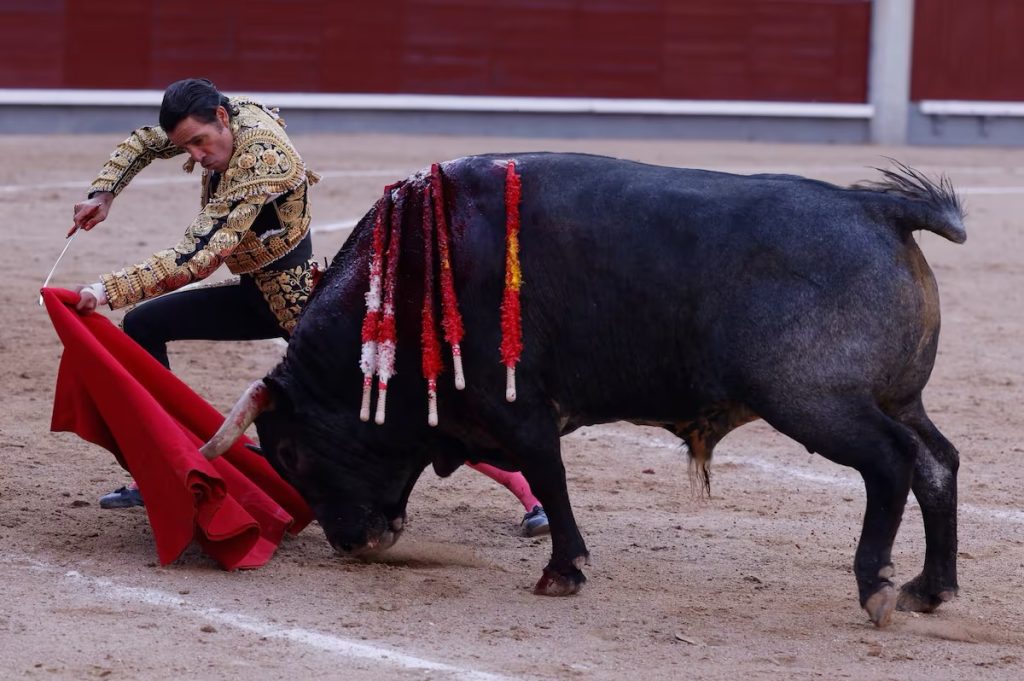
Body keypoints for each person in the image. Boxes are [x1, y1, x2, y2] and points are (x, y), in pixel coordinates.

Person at [70, 78, 549, 537]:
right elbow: (145, 142)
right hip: (258, 291)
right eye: (187, 147)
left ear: (221, 118)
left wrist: (108, 288)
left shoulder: (264, 159)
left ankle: (533, 493)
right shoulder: (219, 118)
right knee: (144, 325)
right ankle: (172, 463)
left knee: (403, 401)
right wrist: (105, 191)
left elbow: (201, 254)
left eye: (198, 144)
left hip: (305, 309)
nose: (196, 156)